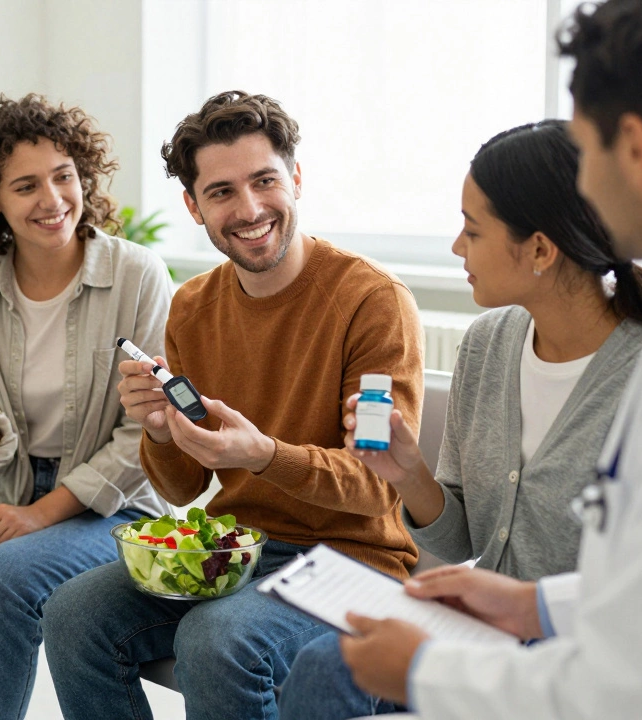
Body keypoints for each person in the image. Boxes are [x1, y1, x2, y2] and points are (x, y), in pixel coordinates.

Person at [338, 1, 642, 717]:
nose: (582, 187)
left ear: (639, 148)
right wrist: (536, 604)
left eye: (586, 151)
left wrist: (427, 674)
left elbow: (641, 687)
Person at [41, 90, 426, 720]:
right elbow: (185, 483)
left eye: (265, 181)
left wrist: (266, 456)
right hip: (238, 548)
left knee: (219, 640)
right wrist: (160, 430)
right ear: (193, 206)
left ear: (296, 179)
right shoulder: (191, 307)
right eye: (221, 192)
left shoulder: (371, 300)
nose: (249, 209)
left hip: (357, 563)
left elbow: (376, 489)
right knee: (73, 614)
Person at [278, 119, 642, 719]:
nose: (457, 248)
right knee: (327, 668)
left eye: (473, 230)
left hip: (591, 656)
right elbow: (466, 543)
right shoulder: (487, 346)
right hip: (489, 627)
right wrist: (408, 474)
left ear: (540, 249)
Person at [0, 94, 171, 719]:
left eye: (64, 176)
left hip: (115, 505)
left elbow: (145, 436)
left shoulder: (138, 275)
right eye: (26, 186)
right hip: (7, 490)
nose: (53, 200)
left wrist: (44, 512)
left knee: (3, 582)